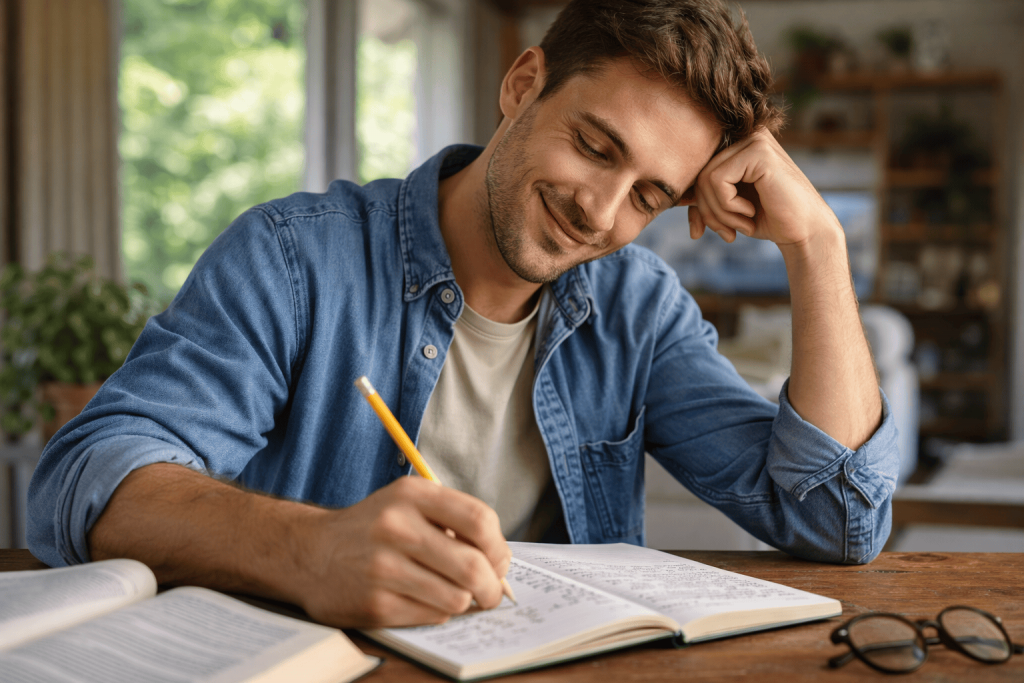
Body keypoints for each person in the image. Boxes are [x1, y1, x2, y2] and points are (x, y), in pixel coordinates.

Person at [28, 0, 899, 629]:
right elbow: (87, 478)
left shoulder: (638, 309)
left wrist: (816, 245)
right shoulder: (293, 259)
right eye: (596, 147)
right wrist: (312, 549)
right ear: (523, 83)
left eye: (649, 195)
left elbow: (837, 519)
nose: (600, 211)